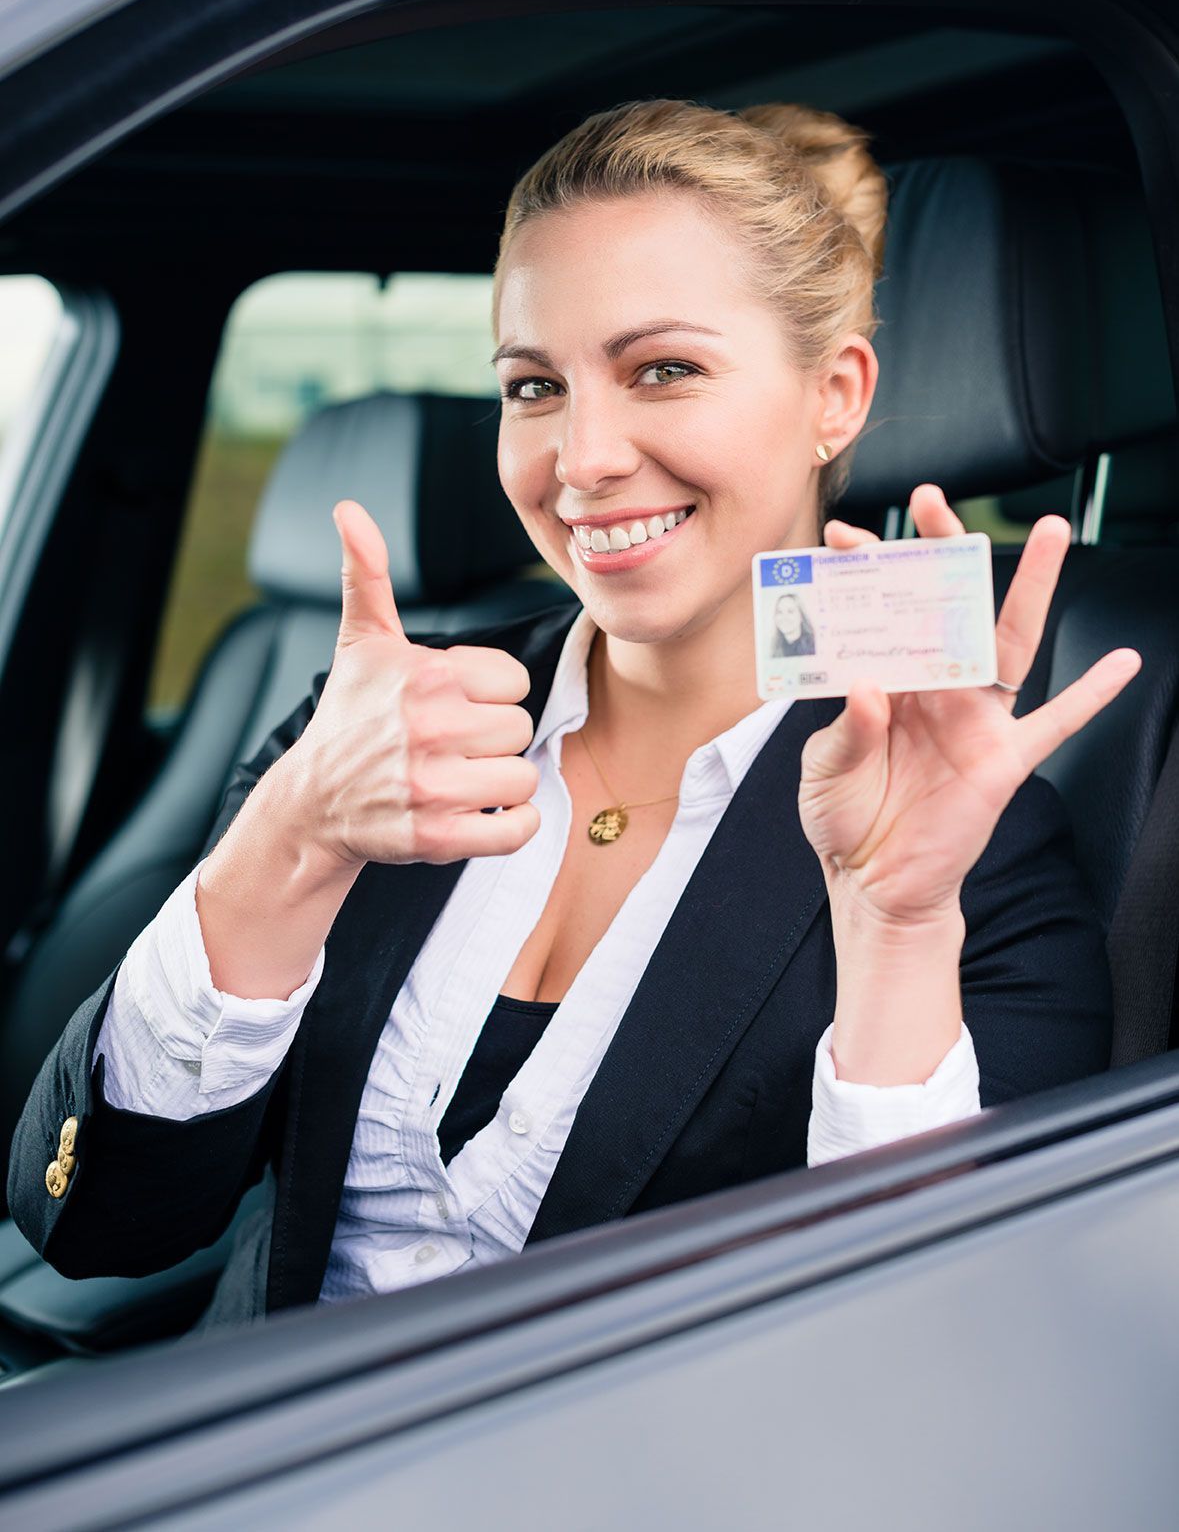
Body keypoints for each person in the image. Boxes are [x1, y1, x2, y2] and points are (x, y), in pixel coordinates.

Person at [9, 99, 1139, 1330]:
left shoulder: (971, 852)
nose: (583, 456)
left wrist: (895, 929)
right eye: (535, 385)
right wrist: (290, 834)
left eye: (665, 369)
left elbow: (936, 1345)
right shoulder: (377, 732)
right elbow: (96, 1221)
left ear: (835, 394)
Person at [768, 589, 816, 658]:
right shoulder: (774, 649)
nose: (784, 617)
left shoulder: (813, 646)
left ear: (801, 616)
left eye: (790, 611)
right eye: (779, 612)